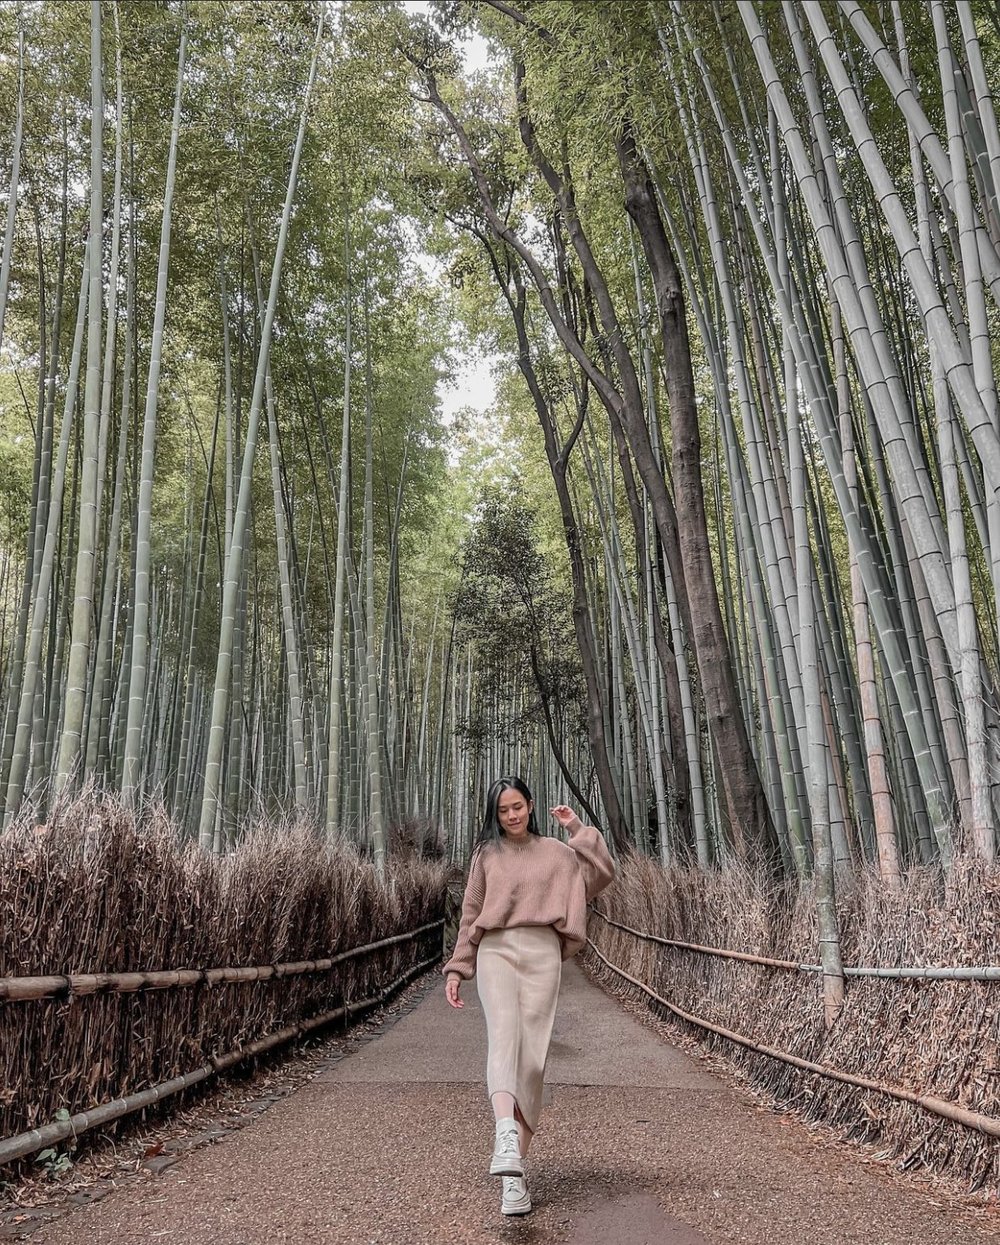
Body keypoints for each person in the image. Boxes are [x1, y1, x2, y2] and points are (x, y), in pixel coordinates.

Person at [443, 776, 615, 1217]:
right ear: (494, 815)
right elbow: (470, 914)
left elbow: (600, 875)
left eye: (518, 806)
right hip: (496, 949)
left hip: (542, 951)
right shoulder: (486, 854)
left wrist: (577, 828)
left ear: (531, 805)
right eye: (503, 810)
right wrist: (458, 968)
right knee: (504, 1037)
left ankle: (513, 1175)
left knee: (533, 1059)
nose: (512, 816)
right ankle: (504, 1134)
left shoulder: (557, 854)